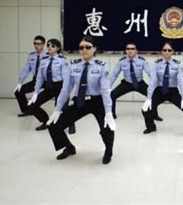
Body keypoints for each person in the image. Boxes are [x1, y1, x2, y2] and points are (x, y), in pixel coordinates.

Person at [46, 36, 116, 165]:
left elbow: (106, 91)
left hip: (97, 101)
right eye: (81, 47)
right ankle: (69, 147)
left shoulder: (101, 66)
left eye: (88, 47)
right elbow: (66, 89)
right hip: (80, 101)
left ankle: (108, 151)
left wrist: (109, 112)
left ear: (94, 49)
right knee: (54, 125)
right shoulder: (73, 65)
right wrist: (57, 110)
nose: (84, 50)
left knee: (107, 127)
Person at [141, 42, 183, 137]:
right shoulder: (157, 64)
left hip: (172, 91)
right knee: (145, 109)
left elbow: (181, 82)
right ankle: (151, 127)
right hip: (159, 90)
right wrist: (148, 98)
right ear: (162, 52)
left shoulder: (177, 65)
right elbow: (153, 81)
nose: (167, 52)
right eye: (164, 50)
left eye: (169, 50)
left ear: (172, 52)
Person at [109, 42, 162, 121]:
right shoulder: (121, 61)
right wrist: (108, 86)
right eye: (128, 49)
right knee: (112, 95)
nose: (130, 51)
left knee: (153, 96)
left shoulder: (142, 61)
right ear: (125, 51)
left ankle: (154, 115)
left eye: (132, 49)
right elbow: (114, 75)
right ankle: (112, 115)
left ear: (136, 51)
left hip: (140, 83)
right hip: (126, 84)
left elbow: (150, 73)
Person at [13, 35, 46, 117]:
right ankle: (27, 110)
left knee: (59, 98)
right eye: (35, 43)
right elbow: (26, 69)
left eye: (39, 43)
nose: (36, 45)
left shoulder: (48, 55)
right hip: (36, 80)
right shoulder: (31, 56)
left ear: (43, 44)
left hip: (47, 81)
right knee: (18, 92)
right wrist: (20, 82)